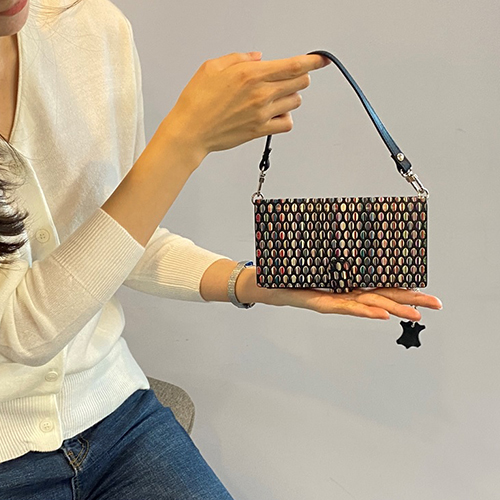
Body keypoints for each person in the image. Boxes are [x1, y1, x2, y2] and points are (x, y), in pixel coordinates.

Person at [0, 0, 443, 498]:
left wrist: (258, 282)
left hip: (114, 410)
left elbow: (121, 239)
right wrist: (184, 140)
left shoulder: (94, 29)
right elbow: (22, 331)